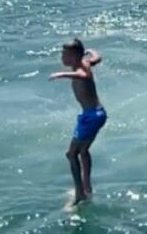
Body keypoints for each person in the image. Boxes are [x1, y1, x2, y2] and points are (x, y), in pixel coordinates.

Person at [49, 40, 107, 206]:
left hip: (91, 117)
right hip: (94, 115)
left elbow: (84, 76)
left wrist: (62, 74)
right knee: (83, 152)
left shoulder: (82, 69)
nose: (62, 57)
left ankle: (80, 193)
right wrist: (92, 51)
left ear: (74, 56)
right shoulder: (86, 62)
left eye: (64, 54)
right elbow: (97, 58)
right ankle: (87, 187)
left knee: (71, 154)